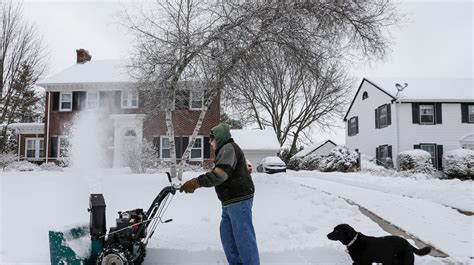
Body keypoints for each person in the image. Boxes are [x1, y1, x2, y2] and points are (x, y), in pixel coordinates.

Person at [180, 122, 260, 265]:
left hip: (239, 199)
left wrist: (196, 182)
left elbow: (220, 175)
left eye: (212, 139)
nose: (210, 143)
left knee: (244, 240)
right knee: (227, 237)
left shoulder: (228, 149)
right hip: (229, 201)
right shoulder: (225, 150)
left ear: (220, 137)